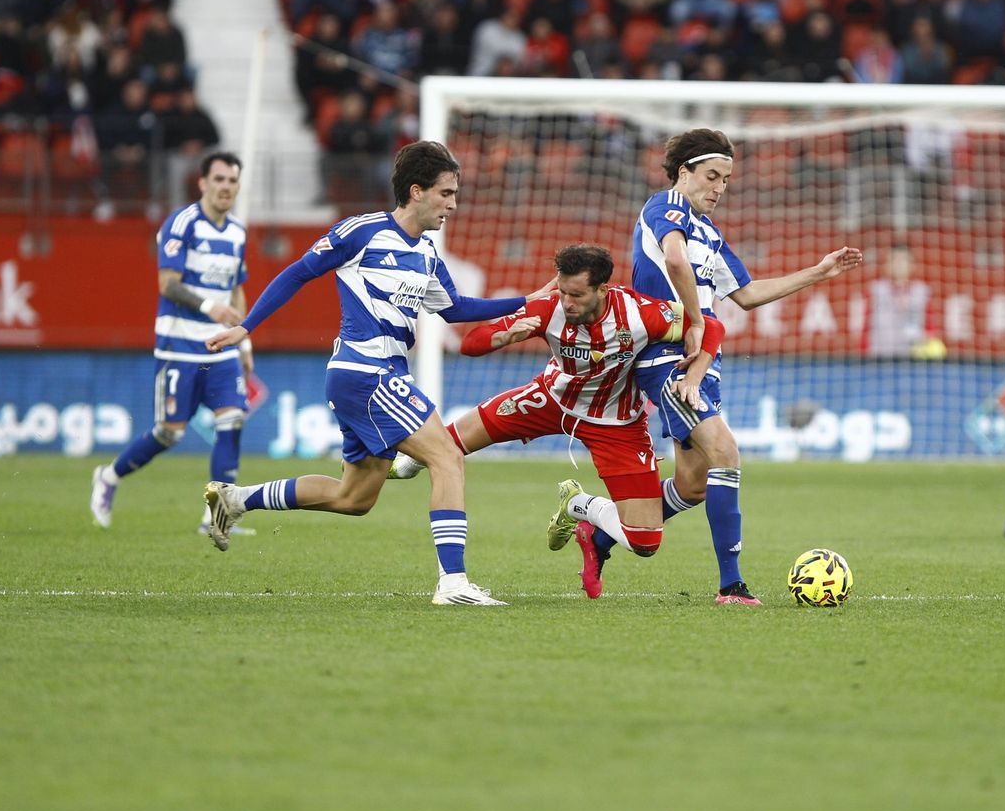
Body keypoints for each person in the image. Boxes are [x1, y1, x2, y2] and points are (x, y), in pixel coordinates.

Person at [202, 142, 540, 606]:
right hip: (366, 372)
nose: (453, 204)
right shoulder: (362, 232)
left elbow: (458, 309)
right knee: (447, 457)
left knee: (353, 498)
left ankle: (235, 500)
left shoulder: (425, 254)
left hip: (376, 376)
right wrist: (245, 326)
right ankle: (454, 584)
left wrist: (530, 301)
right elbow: (298, 274)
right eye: (446, 193)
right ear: (416, 191)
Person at [393, 244, 724, 598]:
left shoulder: (640, 313)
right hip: (550, 400)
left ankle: (580, 506)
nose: (567, 302)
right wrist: (504, 336)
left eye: (577, 295)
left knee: (644, 541)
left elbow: (711, 328)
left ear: (603, 289)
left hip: (616, 423)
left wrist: (694, 377)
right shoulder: (548, 307)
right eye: (563, 291)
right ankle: (401, 461)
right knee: (445, 446)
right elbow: (471, 342)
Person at [619, 129, 864, 603]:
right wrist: (694, 319)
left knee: (691, 485)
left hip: (703, 361)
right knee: (727, 455)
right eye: (711, 176)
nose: (718, 187)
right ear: (684, 171)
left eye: (726, 180)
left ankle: (601, 532)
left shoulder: (710, 234)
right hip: (667, 358)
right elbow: (673, 261)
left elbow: (747, 295)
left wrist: (819, 271)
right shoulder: (663, 206)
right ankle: (732, 584)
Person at [91, 153, 253, 536]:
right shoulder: (181, 223)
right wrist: (209, 306)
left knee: (231, 421)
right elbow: (168, 283)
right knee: (170, 432)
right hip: (179, 345)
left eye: (232, 180)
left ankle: (216, 518)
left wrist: (243, 341)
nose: (226, 186)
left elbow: (237, 289)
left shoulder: (237, 233)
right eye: (219, 179)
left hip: (220, 347)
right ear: (203, 183)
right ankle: (109, 476)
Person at [864, 245, 943, 358]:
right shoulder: (876, 290)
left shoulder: (921, 291)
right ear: (887, 264)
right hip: (879, 358)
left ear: (912, 265)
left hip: (912, 359)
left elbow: (930, 327)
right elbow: (865, 328)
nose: (898, 264)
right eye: (894, 259)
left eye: (903, 260)